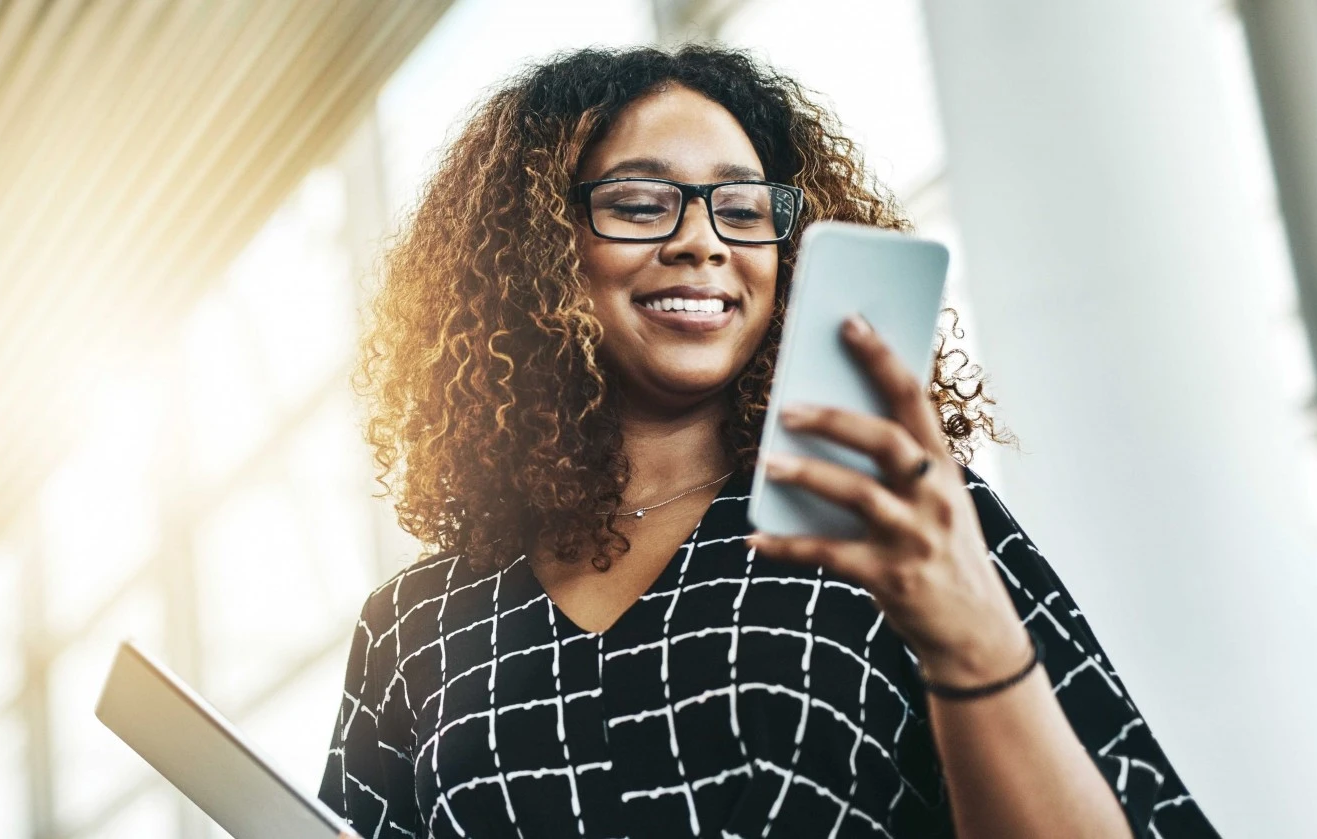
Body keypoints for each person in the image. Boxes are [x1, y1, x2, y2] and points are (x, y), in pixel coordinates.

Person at [319, 45, 1217, 838]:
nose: (702, 241)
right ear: (540, 248)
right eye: (641, 204)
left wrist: (972, 642)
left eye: (744, 210)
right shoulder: (413, 629)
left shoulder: (896, 518)